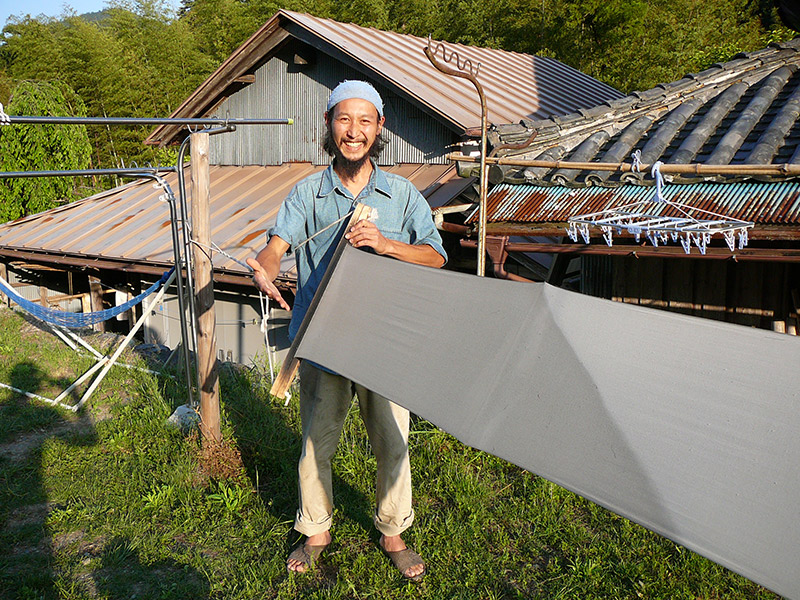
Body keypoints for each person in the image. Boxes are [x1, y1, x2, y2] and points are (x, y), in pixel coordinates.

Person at [247, 80, 446, 582]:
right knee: (317, 441)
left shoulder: (400, 194)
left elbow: (437, 255)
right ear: (329, 126)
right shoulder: (308, 192)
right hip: (324, 338)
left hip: (385, 339)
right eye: (343, 119)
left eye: (364, 121)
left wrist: (386, 245)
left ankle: (393, 531)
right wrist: (266, 263)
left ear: (379, 128)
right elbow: (277, 242)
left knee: (391, 441)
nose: (353, 131)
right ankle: (316, 530)